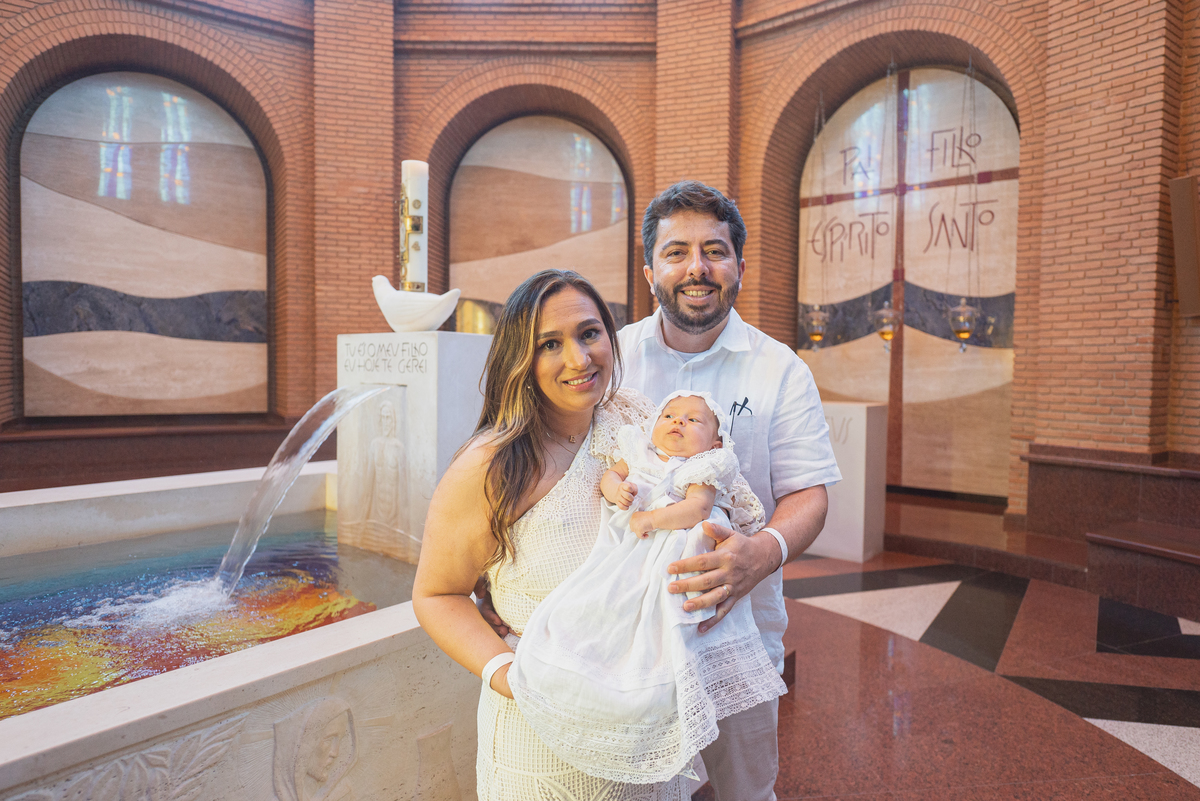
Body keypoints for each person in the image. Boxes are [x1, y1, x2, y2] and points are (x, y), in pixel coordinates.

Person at [412, 269, 693, 799]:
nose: (579, 359)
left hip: (643, 733)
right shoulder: (491, 465)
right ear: (520, 358)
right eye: (550, 344)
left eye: (589, 333)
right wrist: (507, 674)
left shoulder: (631, 416)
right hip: (542, 744)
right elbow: (436, 592)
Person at [617, 180, 842, 800]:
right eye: (676, 252)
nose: (697, 268)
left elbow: (808, 494)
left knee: (743, 791)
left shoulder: (780, 369)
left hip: (736, 627)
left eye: (714, 250)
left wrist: (760, 554)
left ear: (739, 265)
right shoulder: (612, 358)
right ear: (649, 270)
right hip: (628, 635)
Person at [507, 390, 786, 784]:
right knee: (606, 601)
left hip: (664, 544)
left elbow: (697, 509)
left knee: (662, 616)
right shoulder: (639, 450)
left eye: (693, 420)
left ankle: (659, 688)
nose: (678, 423)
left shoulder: (705, 467)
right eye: (670, 415)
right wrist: (614, 490)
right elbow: (612, 474)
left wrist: (653, 518)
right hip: (626, 548)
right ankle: (596, 683)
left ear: (715, 443)